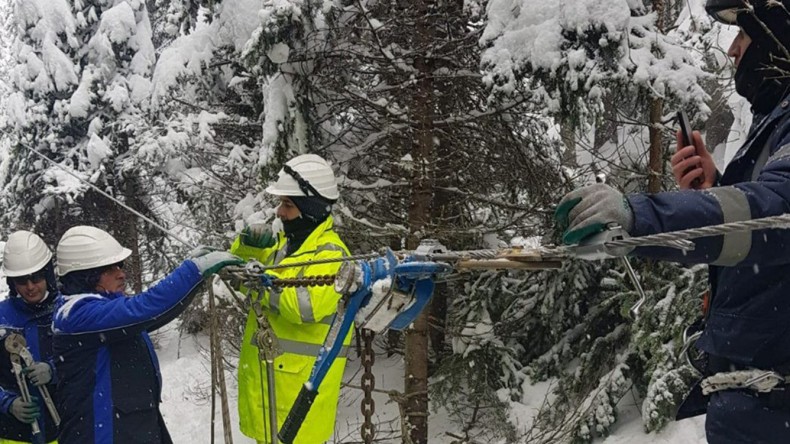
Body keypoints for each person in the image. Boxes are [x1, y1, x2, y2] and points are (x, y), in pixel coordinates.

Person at [555, 1, 790, 442]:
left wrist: (640, 217)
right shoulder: (775, 125)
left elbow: (775, 214)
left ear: (781, 36)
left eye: (743, 36)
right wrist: (712, 190)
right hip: (757, 404)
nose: (733, 50)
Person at [51, 226, 242, 444]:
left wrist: (195, 279)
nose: (121, 273)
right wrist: (193, 270)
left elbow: (155, 316)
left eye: (119, 265)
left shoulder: (101, 311)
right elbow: (144, 309)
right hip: (101, 432)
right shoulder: (77, 314)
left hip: (131, 425)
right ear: (86, 276)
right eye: (109, 269)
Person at [232, 154, 352, 443]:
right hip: (271, 395)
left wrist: (258, 283)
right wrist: (247, 246)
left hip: (299, 408)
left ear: (309, 210)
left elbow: (302, 307)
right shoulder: (286, 248)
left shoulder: (331, 255)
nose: (279, 212)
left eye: (287, 205)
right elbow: (236, 274)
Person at [0, 231, 60, 444]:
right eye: (22, 280)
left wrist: (54, 370)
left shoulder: (66, 312)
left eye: (36, 277)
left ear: (48, 275)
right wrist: (6, 403)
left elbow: (87, 364)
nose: (30, 286)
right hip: (13, 434)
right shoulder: (2, 317)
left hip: (62, 428)